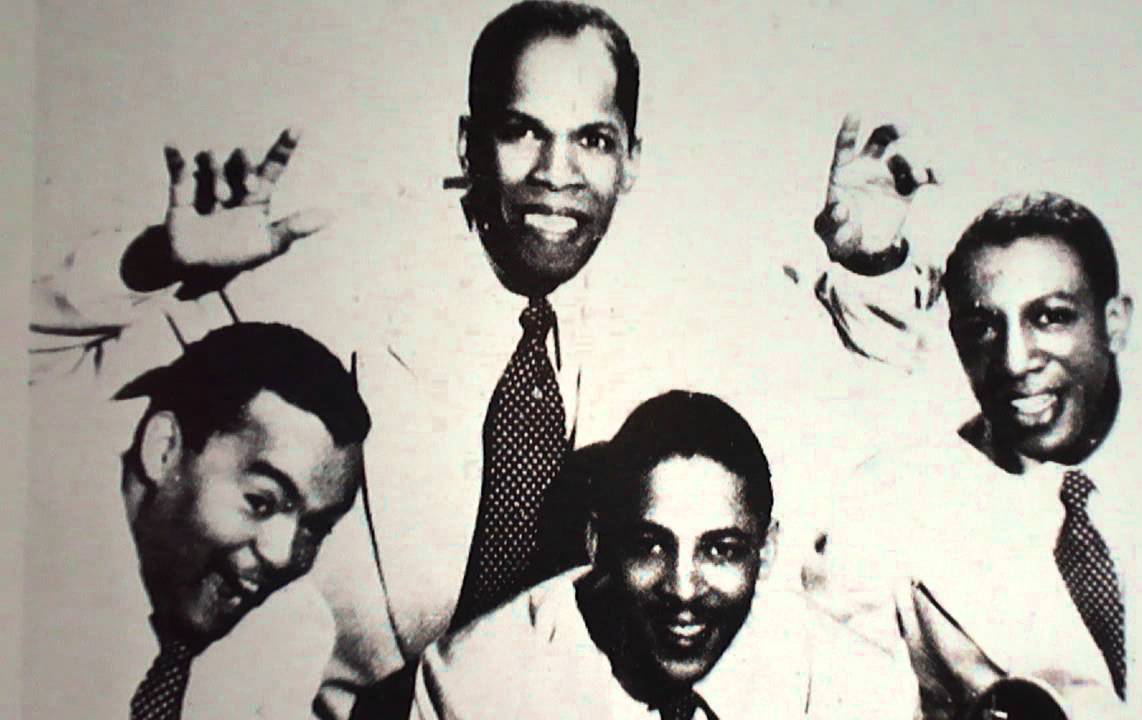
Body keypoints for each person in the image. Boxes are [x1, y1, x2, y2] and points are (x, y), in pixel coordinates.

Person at [30, 3, 945, 716]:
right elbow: (32, 368)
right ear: (468, 145)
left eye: (593, 139)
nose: (557, 171)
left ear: (632, 160)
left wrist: (868, 268)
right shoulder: (327, 280)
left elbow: (861, 426)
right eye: (522, 130)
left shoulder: (682, 315)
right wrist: (152, 264)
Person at [809, 191, 1142, 718]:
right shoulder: (888, 504)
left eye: (1050, 317)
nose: (1014, 360)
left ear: (1115, 323)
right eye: (983, 327)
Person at [415, 390, 917, 719]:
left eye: (721, 551)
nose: (682, 588)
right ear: (597, 542)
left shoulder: (867, 694)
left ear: (766, 552)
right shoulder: (473, 686)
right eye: (650, 545)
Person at [23, 321, 371, 719]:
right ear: (164, 450)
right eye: (261, 502)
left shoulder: (290, 630)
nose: (282, 555)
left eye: (315, 529)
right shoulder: (32, 545)